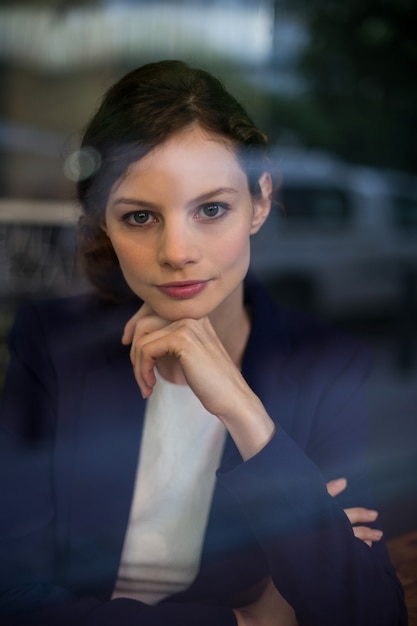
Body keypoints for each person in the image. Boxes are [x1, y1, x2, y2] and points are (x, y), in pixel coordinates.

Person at [0, 60, 407, 626]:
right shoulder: (51, 345)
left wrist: (249, 418)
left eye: (211, 209)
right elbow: (13, 600)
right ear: (101, 222)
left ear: (260, 202)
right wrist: (239, 623)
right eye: (140, 216)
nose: (177, 251)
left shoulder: (328, 366)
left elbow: (368, 615)